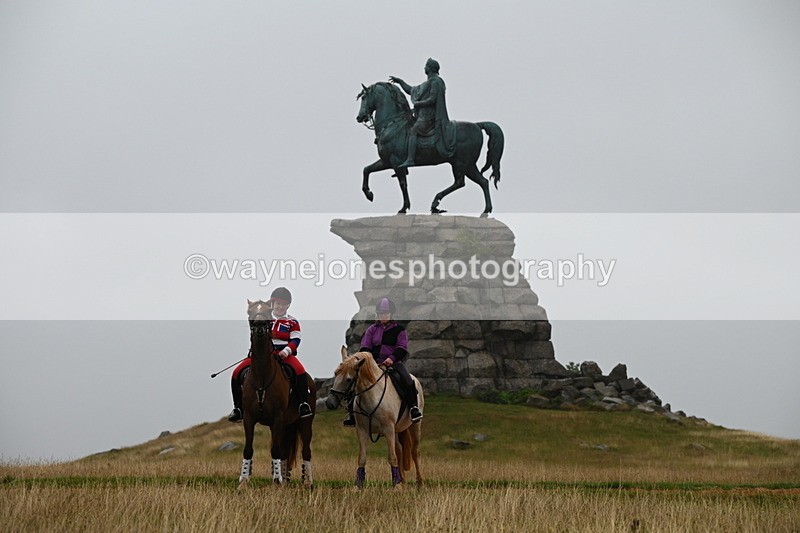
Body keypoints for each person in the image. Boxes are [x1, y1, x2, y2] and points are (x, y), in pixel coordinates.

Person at [228, 287, 313, 422]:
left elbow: (296, 339)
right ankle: (238, 408)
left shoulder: (292, 321)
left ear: (288, 305)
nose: (280, 307)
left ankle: (303, 404)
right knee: (236, 372)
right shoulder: (264, 318)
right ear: (272, 304)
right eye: (277, 304)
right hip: (263, 355)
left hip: (284, 354)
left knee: (300, 371)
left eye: (283, 304)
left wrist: (286, 351)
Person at [343, 297, 423, 426]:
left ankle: (413, 408)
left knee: (407, 380)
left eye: (386, 313)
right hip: (373, 364)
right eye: (381, 313)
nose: (383, 315)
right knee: (355, 381)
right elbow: (365, 348)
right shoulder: (371, 330)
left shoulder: (400, 330)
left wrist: (391, 359)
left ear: (391, 314)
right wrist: (370, 361)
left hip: (394, 363)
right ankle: (352, 414)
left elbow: (402, 348)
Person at [389, 57, 456, 168]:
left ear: (430, 68)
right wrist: (400, 82)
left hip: (429, 117)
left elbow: (433, 99)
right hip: (422, 116)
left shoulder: (436, 81)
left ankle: (410, 159)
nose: (424, 68)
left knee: (413, 131)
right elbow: (411, 90)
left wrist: (419, 104)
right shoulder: (426, 83)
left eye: (426, 66)